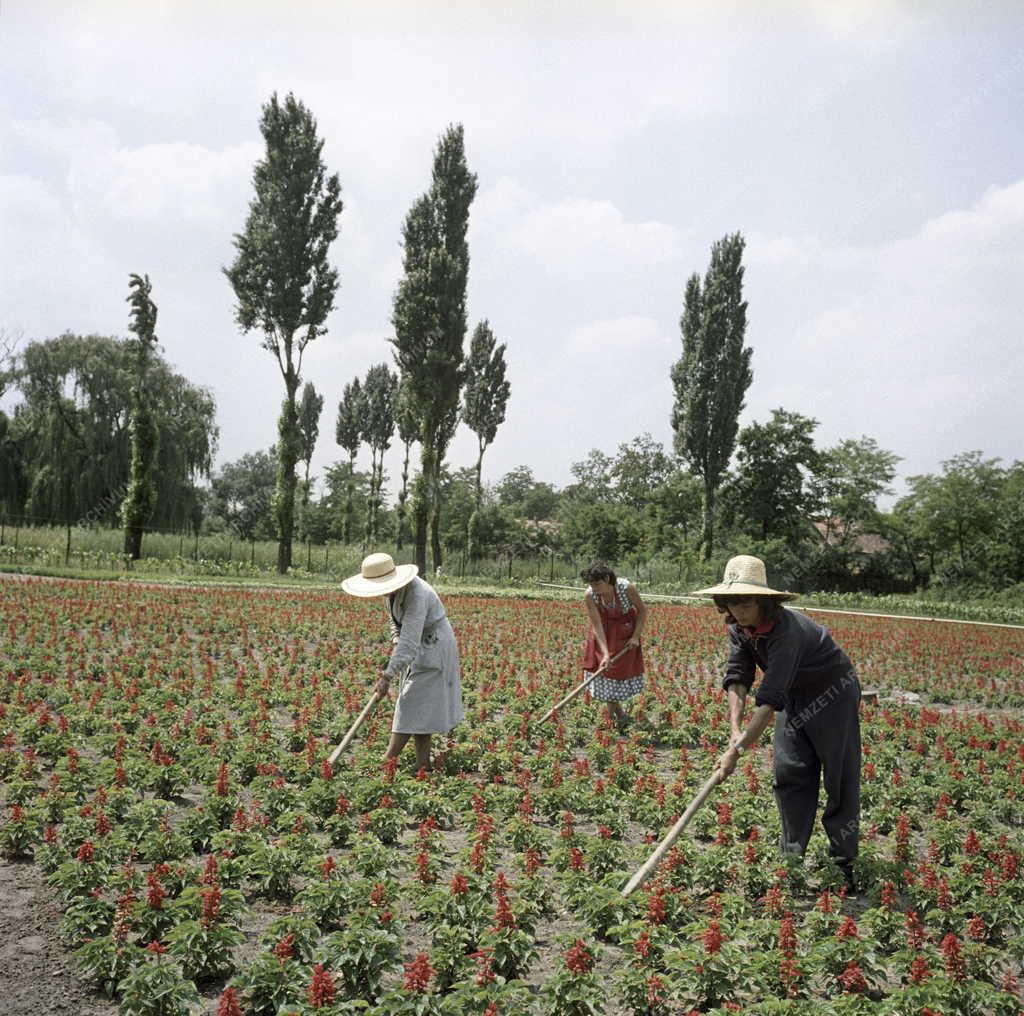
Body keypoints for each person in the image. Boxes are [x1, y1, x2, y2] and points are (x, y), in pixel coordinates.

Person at [692, 555, 862, 888]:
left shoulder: (788, 632)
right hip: (794, 695)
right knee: (790, 771)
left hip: (833, 693)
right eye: (731, 603)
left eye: (745, 602)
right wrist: (735, 732)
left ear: (764, 600)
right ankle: (792, 862)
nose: (738, 611)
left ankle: (843, 863)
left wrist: (736, 753)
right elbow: (738, 677)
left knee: (839, 777)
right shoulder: (739, 628)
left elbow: (769, 699)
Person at [341, 553, 464, 772]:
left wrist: (387, 676)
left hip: (434, 646)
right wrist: (396, 641)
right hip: (418, 645)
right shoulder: (393, 593)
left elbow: (410, 641)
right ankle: (423, 764)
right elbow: (396, 625)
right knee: (421, 703)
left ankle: (388, 760)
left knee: (409, 702)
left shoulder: (416, 593)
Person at [579, 561, 648, 731]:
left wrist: (635, 637)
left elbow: (642, 611)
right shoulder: (590, 595)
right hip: (602, 635)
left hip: (625, 634)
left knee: (616, 674)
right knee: (604, 673)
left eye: (597, 584)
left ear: (607, 578)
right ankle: (618, 716)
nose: (593, 588)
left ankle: (609, 720)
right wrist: (605, 654)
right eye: (591, 584)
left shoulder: (626, 588)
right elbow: (596, 624)